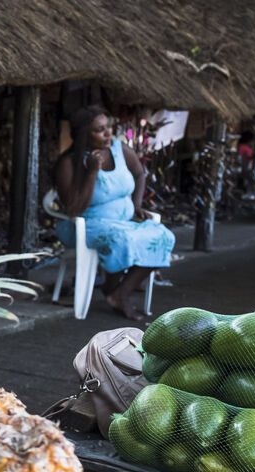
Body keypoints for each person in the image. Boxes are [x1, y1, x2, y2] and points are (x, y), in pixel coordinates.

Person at [54, 105, 175, 321]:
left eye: (108, 127)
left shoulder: (120, 150)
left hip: (124, 222)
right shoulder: (69, 163)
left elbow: (139, 174)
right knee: (123, 241)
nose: (108, 132)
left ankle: (119, 292)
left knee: (164, 237)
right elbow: (74, 209)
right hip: (85, 225)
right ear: (83, 134)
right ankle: (113, 290)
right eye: (99, 130)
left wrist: (136, 205)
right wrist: (92, 172)